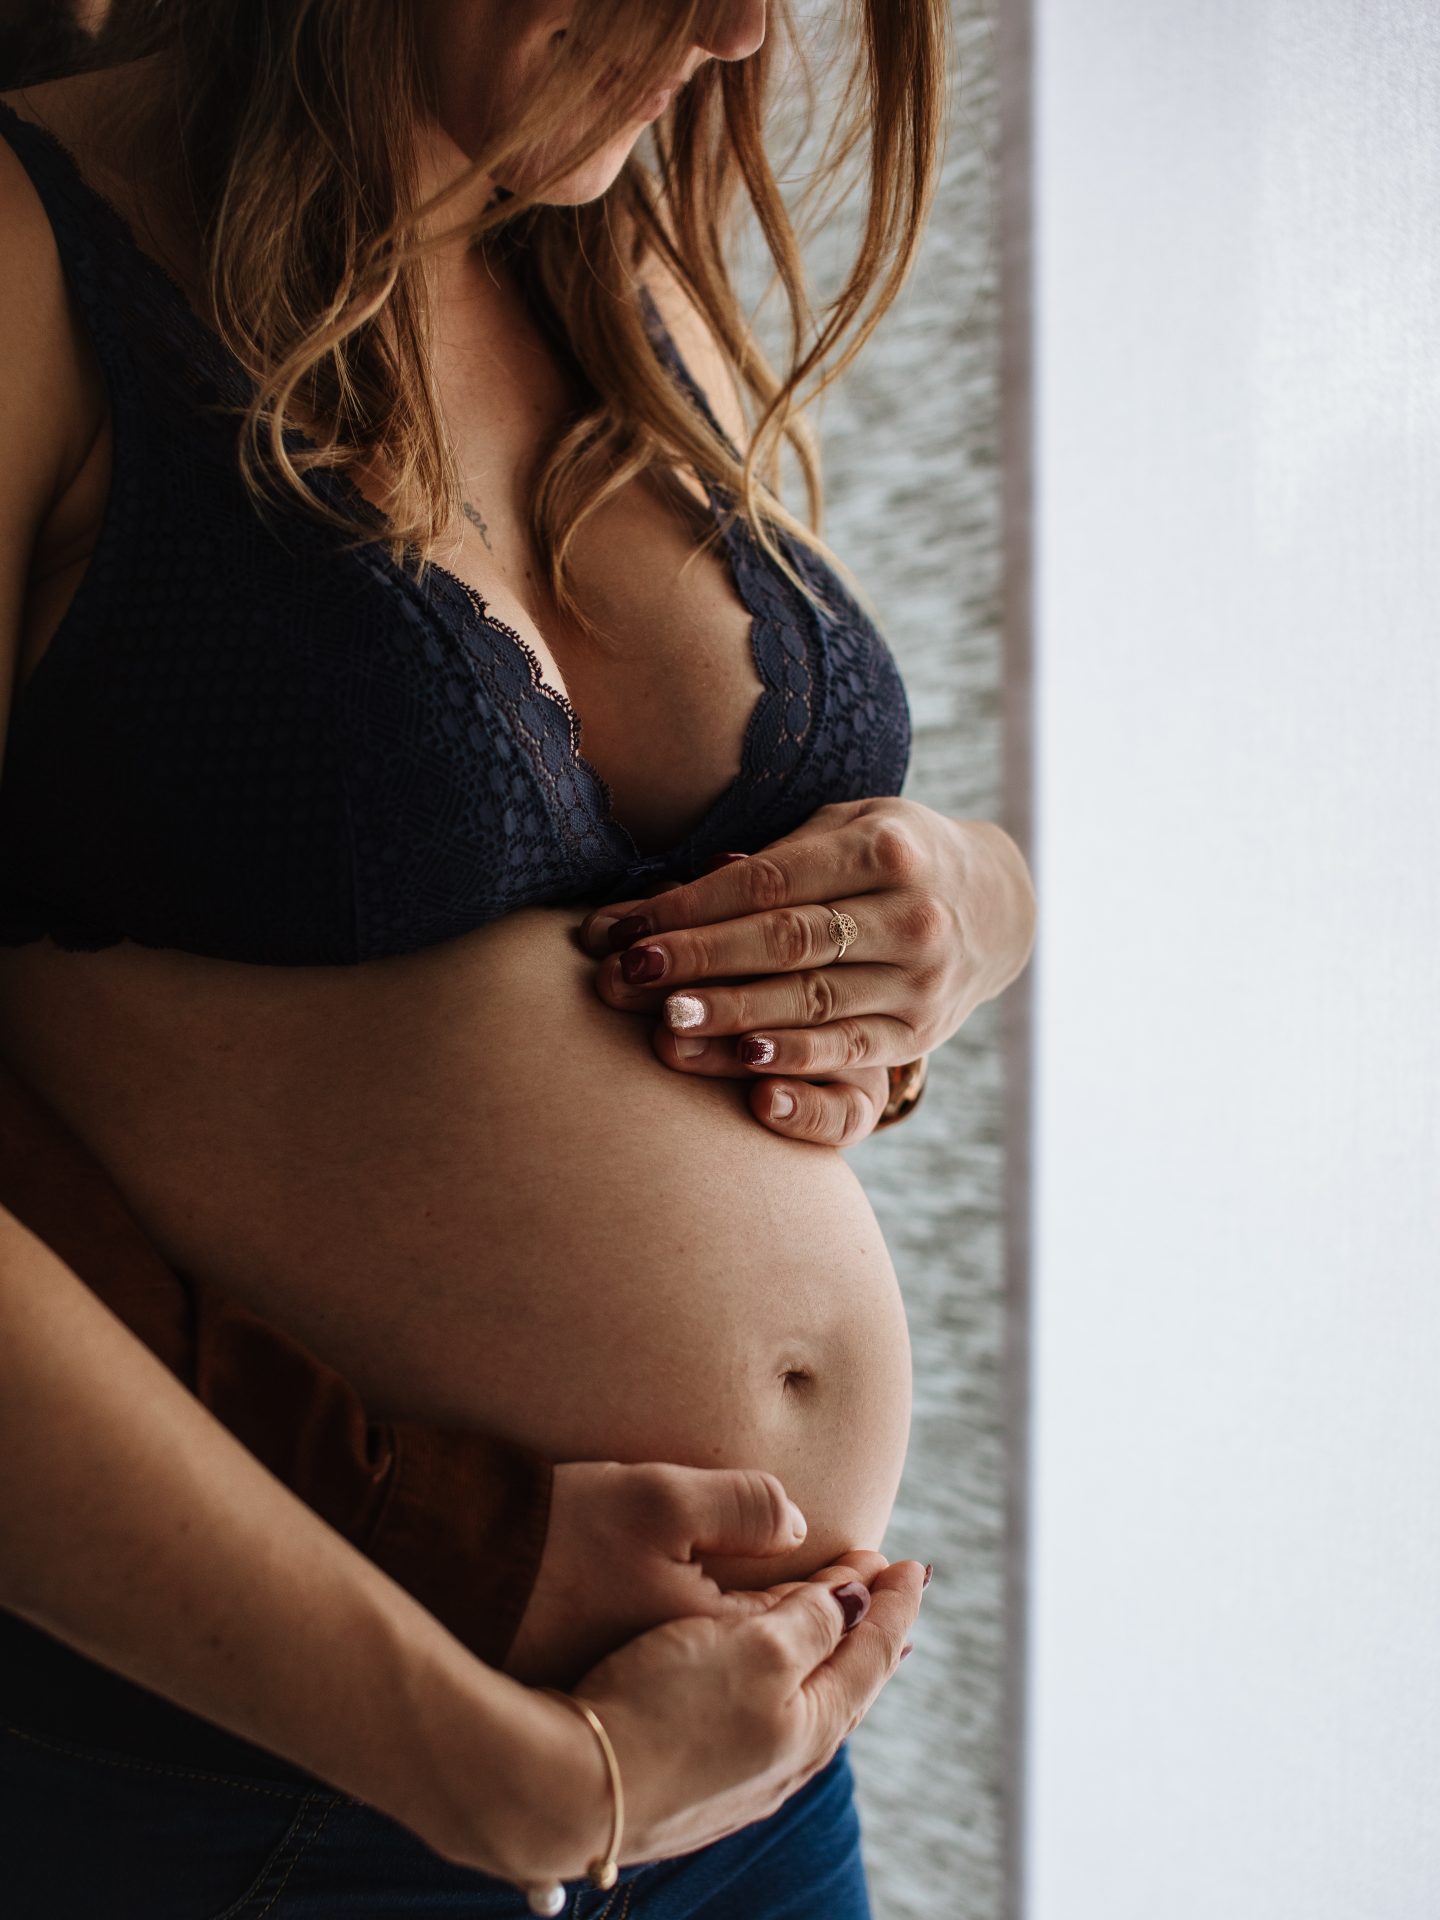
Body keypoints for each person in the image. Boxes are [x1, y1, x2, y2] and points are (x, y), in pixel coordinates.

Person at [0, 2, 1037, 1914]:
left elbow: (646, 903)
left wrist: (970, 901)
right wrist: (493, 1765)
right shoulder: (30, 257)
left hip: (753, 1772)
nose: (735, 31)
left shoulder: (609, 254)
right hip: (272, 1797)